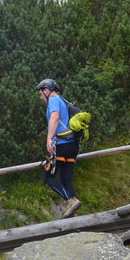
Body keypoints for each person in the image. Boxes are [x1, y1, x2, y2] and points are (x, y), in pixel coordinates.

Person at [36, 79, 82, 219]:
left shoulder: (54, 100)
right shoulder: (63, 101)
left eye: (40, 94)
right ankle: (71, 212)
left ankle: (70, 201)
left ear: (47, 90)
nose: (41, 97)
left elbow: (55, 118)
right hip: (73, 145)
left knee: (48, 177)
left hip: (61, 145)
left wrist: (49, 139)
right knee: (66, 178)